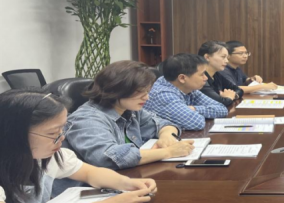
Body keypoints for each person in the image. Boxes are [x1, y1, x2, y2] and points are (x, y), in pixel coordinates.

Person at [0, 90, 156, 203]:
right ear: (14, 134)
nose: (62, 138)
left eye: (63, 129)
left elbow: (90, 173)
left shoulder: (43, 157)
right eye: (53, 133)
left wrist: (127, 183)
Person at [64, 61, 194, 170]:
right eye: (141, 92)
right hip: (89, 189)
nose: (147, 98)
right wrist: (168, 152)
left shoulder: (129, 109)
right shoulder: (87, 119)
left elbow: (163, 123)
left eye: (147, 91)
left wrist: (167, 136)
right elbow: (108, 158)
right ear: (117, 90)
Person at [145, 53, 228, 131]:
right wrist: (199, 111)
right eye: (202, 74)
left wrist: (194, 108)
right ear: (182, 78)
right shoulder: (164, 95)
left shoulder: (188, 88)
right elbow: (196, 122)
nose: (206, 78)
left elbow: (222, 109)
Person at [197, 41, 243, 107]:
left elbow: (239, 90)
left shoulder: (216, 75)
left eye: (227, 58)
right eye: (223, 57)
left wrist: (233, 95)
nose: (227, 61)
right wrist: (228, 97)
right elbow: (219, 102)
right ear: (207, 57)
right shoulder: (200, 78)